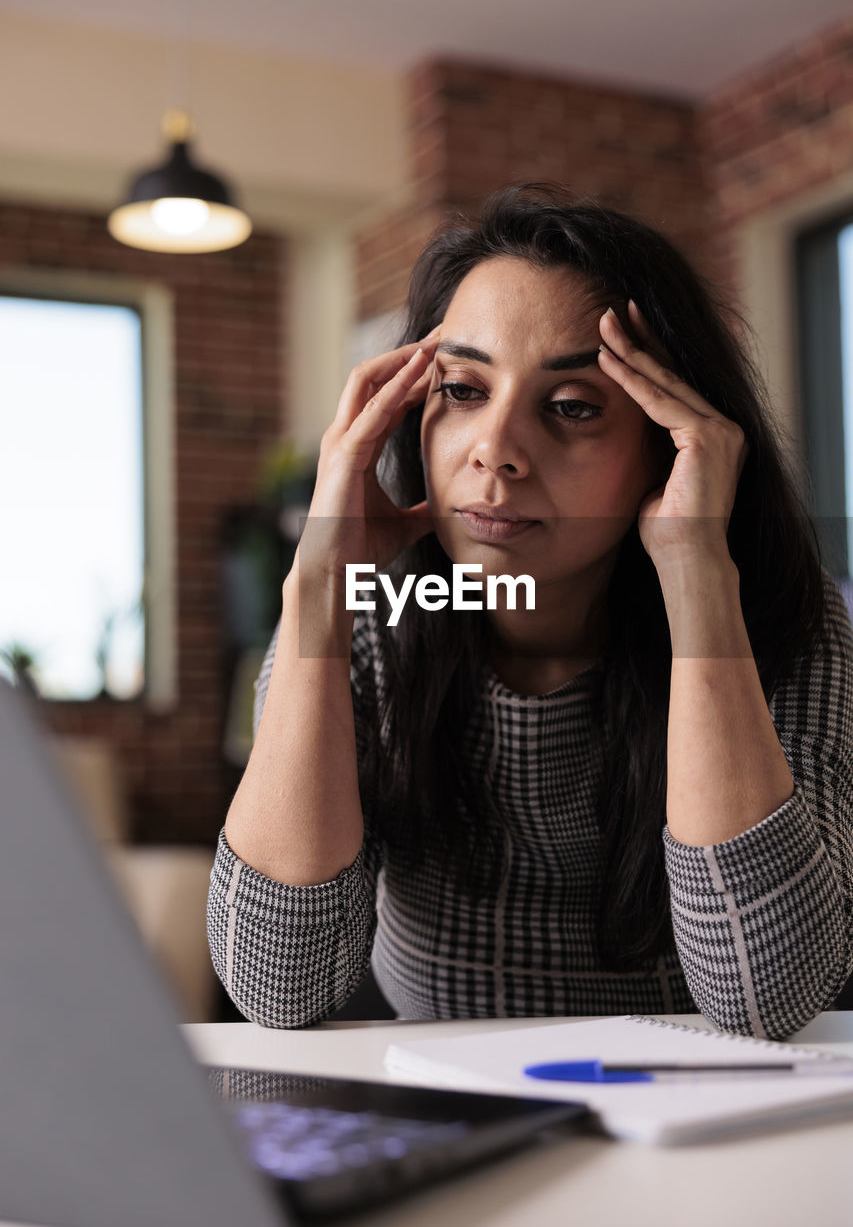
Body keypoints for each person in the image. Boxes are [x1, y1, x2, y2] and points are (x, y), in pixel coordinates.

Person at [208, 183, 853, 1039]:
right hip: (450, 1114)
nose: (495, 452)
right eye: (464, 391)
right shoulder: (363, 621)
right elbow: (278, 991)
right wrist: (317, 586)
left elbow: (764, 998)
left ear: (667, 445)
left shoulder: (781, 626)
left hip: (702, 1120)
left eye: (572, 408)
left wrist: (697, 574)